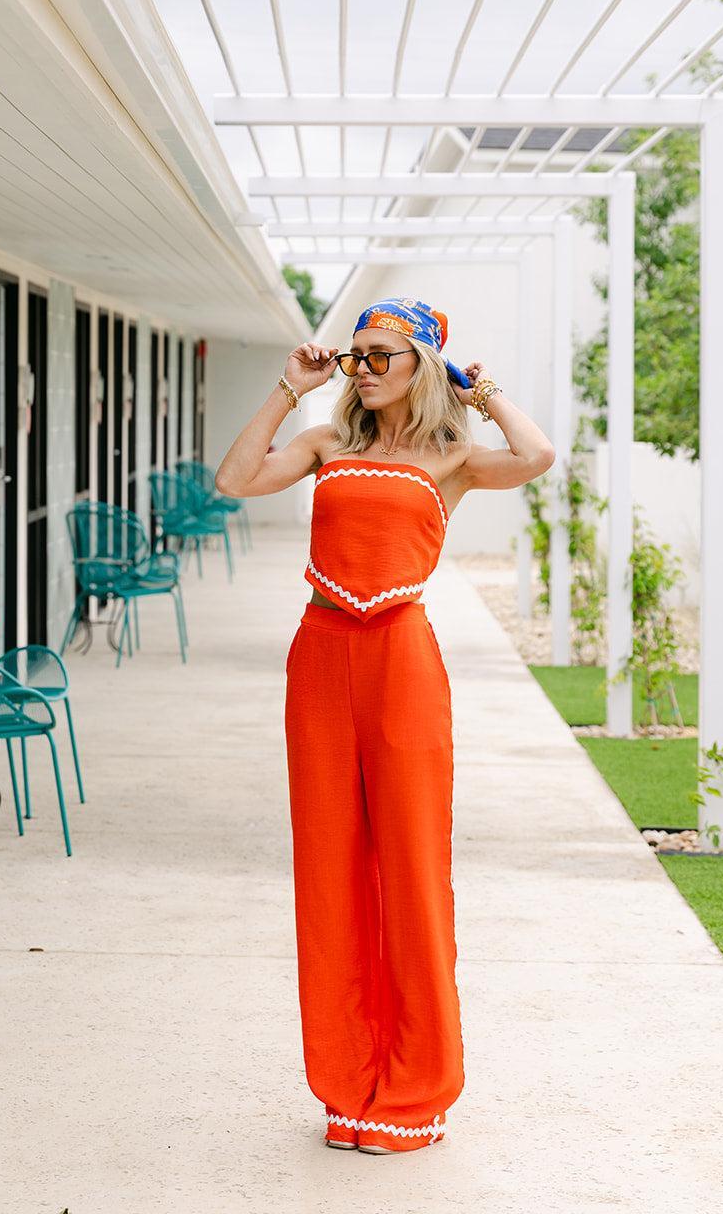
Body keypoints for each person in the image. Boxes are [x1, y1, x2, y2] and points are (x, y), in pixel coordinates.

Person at [214, 297, 555, 1156]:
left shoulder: (453, 458)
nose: (361, 370)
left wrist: (482, 393)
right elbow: (235, 480)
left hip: (402, 657)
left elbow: (537, 455)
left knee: (410, 864)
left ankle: (414, 1092)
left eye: (380, 356)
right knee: (328, 865)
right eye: (354, 356)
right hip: (321, 654)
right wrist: (288, 390)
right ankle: (347, 1087)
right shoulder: (328, 443)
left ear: (420, 365)